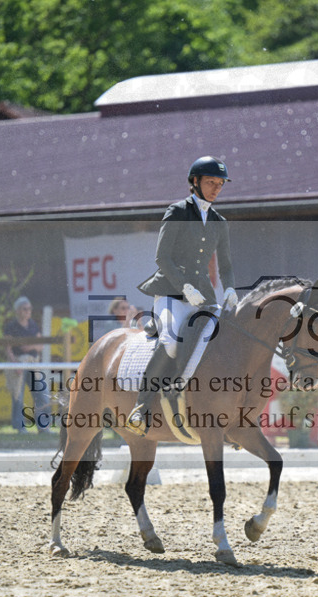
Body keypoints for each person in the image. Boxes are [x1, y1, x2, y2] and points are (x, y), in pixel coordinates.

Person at [127, 156, 238, 436]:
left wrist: (231, 288)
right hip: (171, 293)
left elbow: (224, 265)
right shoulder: (177, 211)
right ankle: (141, 406)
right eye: (211, 182)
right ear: (195, 182)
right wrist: (184, 286)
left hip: (204, 297)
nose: (216, 188)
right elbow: (162, 257)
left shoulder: (219, 222)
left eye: (220, 184)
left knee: (223, 342)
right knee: (172, 341)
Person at [3, 296, 50, 433]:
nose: (28, 311)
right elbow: (8, 348)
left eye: (29, 309)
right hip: (18, 362)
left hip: (33, 362)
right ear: (18, 310)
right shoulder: (11, 327)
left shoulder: (33, 325)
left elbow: (40, 345)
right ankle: (20, 427)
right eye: (25, 309)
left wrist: (28, 347)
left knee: (42, 393)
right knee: (18, 396)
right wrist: (14, 364)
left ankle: (44, 427)